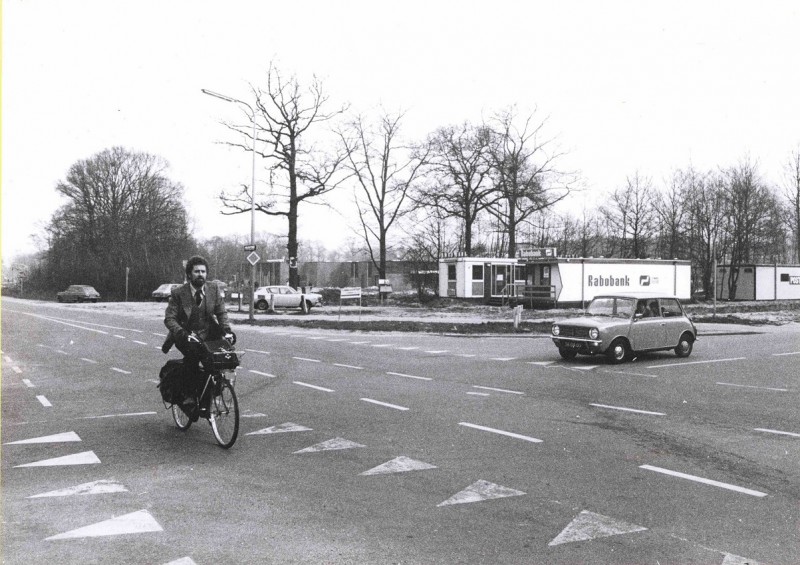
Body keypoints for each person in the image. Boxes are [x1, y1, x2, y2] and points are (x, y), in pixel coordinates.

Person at [162, 255, 233, 371]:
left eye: (203, 271)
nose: (200, 274)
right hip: (186, 336)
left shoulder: (213, 289)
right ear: (189, 274)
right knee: (192, 365)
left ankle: (215, 387)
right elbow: (170, 319)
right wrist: (182, 333)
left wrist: (227, 330)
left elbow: (221, 312)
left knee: (217, 364)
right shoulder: (178, 293)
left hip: (209, 334)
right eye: (197, 271)